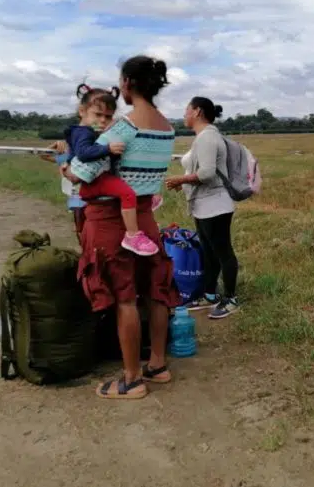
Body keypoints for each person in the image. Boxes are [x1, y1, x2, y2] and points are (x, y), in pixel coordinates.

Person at [62, 55, 178, 400]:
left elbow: (82, 173)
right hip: (144, 218)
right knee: (157, 290)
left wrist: (65, 167)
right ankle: (157, 365)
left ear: (127, 84)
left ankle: (131, 379)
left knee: (125, 298)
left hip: (112, 220)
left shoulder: (122, 127)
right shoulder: (167, 127)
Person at [165, 96, 240, 320]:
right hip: (204, 205)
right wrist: (186, 181)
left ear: (197, 112)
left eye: (186, 109)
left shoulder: (207, 138)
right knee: (209, 252)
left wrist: (181, 179)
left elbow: (206, 173)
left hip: (215, 205)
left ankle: (231, 299)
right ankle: (209, 294)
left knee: (223, 252)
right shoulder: (204, 136)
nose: (184, 114)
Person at [65, 83, 161, 256]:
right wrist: (107, 149)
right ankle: (132, 235)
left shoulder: (95, 132)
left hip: (100, 178)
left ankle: (146, 197)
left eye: (108, 117)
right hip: (94, 181)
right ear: (82, 111)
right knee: (127, 194)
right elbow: (83, 153)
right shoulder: (83, 132)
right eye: (98, 114)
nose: (103, 120)